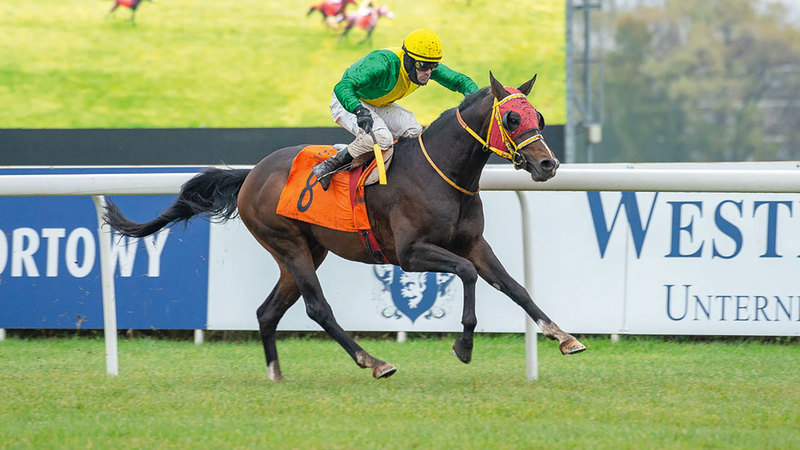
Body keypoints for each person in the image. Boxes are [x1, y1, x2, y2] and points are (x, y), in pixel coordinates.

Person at [312, 28, 479, 190]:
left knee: (414, 131)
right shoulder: (382, 63)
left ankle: (400, 175)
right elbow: (342, 86)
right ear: (409, 60)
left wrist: (478, 100)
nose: (428, 72)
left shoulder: (423, 66)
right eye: (423, 66)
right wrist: (358, 110)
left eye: (433, 66)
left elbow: (460, 81)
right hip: (347, 101)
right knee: (382, 138)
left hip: (377, 103)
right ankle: (329, 166)